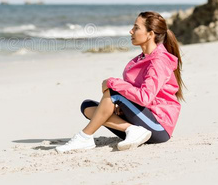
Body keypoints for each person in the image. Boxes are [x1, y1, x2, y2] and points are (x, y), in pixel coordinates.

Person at [56, 11, 185, 153]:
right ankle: (131, 129)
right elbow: (133, 92)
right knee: (88, 107)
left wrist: (113, 83)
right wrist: (124, 107)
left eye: (136, 28)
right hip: (142, 121)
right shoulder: (141, 59)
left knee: (113, 92)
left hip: (159, 126)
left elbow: (144, 97)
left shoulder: (159, 61)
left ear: (150, 34)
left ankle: (84, 137)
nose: (131, 31)